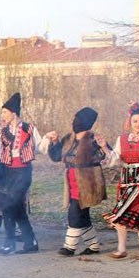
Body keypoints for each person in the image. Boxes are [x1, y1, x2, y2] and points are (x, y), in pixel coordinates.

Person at [41, 107, 108, 256]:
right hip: (71, 183)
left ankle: (69, 247)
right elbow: (57, 157)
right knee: (82, 217)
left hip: (87, 183)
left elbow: (106, 157)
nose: (74, 121)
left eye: (77, 118)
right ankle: (94, 246)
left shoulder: (93, 140)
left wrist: (103, 147)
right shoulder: (69, 138)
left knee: (74, 214)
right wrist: (55, 141)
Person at [0, 92, 42, 255]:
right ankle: (31, 242)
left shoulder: (29, 129)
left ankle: (10, 244)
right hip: (8, 172)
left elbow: (40, 147)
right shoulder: (2, 132)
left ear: (13, 113)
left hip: (23, 172)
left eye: (4, 112)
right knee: (16, 208)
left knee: (9, 206)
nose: (2, 116)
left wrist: (50, 139)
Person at [101, 103, 139, 259]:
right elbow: (115, 159)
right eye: (135, 121)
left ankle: (122, 249)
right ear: (130, 122)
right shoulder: (122, 138)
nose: (138, 124)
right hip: (126, 179)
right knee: (135, 217)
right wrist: (105, 148)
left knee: (120, 213)